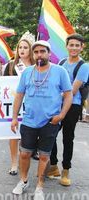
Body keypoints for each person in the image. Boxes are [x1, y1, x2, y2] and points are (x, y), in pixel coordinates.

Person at [11, 40, 72, 199]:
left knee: (44, 156)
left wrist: (61, 115)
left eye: (42, 51)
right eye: (36, 52)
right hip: (29, 121)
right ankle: (23, 181)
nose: (39, 54)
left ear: (49, 53)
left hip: (50, 121)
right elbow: (19, 95)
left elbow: (68, 94)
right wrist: (14, 118)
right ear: (33, 54)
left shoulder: (60, 71)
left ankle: (39, 186)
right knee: (24, 154)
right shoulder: (27, 72)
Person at [48, 33, 89, 186]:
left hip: (73, 105)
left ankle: (66, 171)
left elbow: (72, 90)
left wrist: (56, 95)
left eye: (77, 45)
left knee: (67, 138)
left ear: (81, 47)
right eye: (71, 45)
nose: (73, 48)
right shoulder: (62, 62)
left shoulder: (84, 66)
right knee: (50, 133)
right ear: (67, 46)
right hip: (57, 104)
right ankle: (53, 167)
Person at [4, 35, 35, 175]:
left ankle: (25, 161)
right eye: (20, 47)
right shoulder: (11, 65)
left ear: (30, 49)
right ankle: (14, 163)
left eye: (25, 47)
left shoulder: (36, 66)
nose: (22, 50)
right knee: (14, 134)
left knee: (27, 135)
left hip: (31, 104)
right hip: (14, 103)